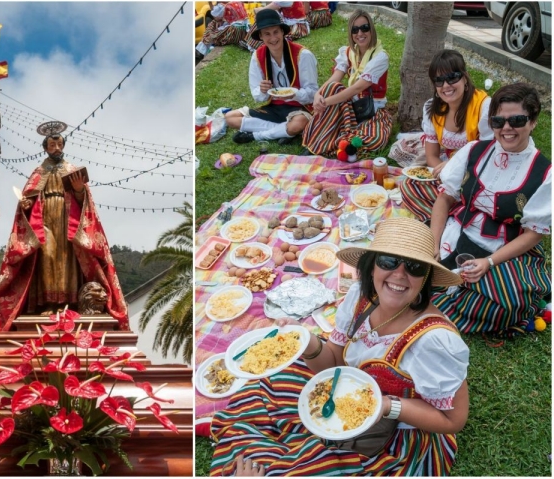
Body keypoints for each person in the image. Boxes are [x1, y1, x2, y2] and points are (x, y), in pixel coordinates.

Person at [210, 218, 469, 476]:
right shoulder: (361, 298)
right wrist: (307, 342)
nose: (399, 274)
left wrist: (387, 406)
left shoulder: (434, 341)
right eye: (388, 261)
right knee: (264, 391)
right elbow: (334, 361)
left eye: (414, 267)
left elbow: (452, 420)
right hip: (348, 392)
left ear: (425, 278)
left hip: (397, 431)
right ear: (372, 267)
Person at [430, 83, 551, 336]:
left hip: (503, 248)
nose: (506, 128)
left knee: (509, 303)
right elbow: (444, 198)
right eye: (498, 121)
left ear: (533, 122)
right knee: (406, 259)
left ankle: (435, 306)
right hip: (456, 229)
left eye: (517, 120)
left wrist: (489, 262)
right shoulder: (474, 150)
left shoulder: (545, 173)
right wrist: (433, 244)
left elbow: (533, 233)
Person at [0, 121, 128, 335]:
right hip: (44, 220)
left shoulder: (72, 170)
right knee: (48, 257)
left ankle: (70, 303)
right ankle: (48, 304)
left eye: (59, 144)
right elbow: (27, 201)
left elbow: (85, 201)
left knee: (67, 259)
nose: (56, 148)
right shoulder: (38, 172)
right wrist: (25, 205)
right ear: (45, 148)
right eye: (52, 145)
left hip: (68, 219)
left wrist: (79, 190)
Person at [400, 50, 493, 222]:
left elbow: (488, 154)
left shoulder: (483, 106)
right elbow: (431, 156)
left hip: (476, 174)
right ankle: (455, 216)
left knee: (477, 198)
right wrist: (447, 175)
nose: (446, 86)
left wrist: (453, 168)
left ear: (465, 78)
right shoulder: (431, 109)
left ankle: (450, 216)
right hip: (447, 174)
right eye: (439, 80)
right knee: (408, 186)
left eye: (452, 77)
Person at [301, 10, 393, 157]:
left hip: (372, 110)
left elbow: (358, 87)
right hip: (350, 106)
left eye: (364, 27)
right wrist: (319, 94)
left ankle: (336, 139)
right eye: (355, 29)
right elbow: (335, 78)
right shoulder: (348, 52)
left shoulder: (380, 57)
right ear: (350, 33)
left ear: (371, 29)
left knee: (376, 139)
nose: (360, 33)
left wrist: (326, 102)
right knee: (333, 87)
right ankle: (319, 142)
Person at [225, 8, 318, 146]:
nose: (273, 38)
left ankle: (256, 135)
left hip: (299, 107)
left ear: (282, 32)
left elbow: (313, 93)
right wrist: (262, 90)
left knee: (299, 122)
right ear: (261, 37)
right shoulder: (258, 56)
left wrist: (294, 94)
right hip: (274, 108)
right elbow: (257, 95)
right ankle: (284, 131)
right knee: (230, 118)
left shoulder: (302, 55)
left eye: (276, 32)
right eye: (267, 34)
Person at [244, 2, 311, 51]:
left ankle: (253, 43)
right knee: (267, 19)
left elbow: (262, 10)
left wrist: (255, 10)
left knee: (265, 16)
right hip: (291, 23)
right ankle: (252, 43)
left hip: (298, 26)